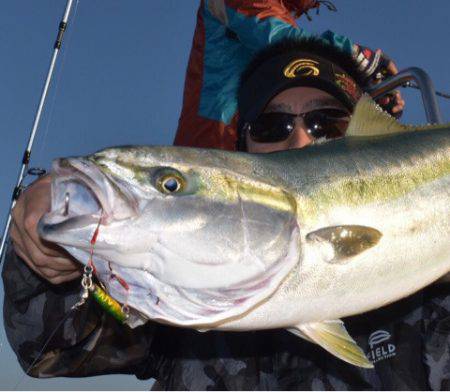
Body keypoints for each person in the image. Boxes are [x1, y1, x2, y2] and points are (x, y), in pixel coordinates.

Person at [6, 1, 448, 391]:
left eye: (326, 124)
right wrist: (47, 257)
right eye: (272, 126)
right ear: (244, 149)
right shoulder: (170, 307)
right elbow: (48, 345)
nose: (297, 141)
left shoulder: (429, 301)